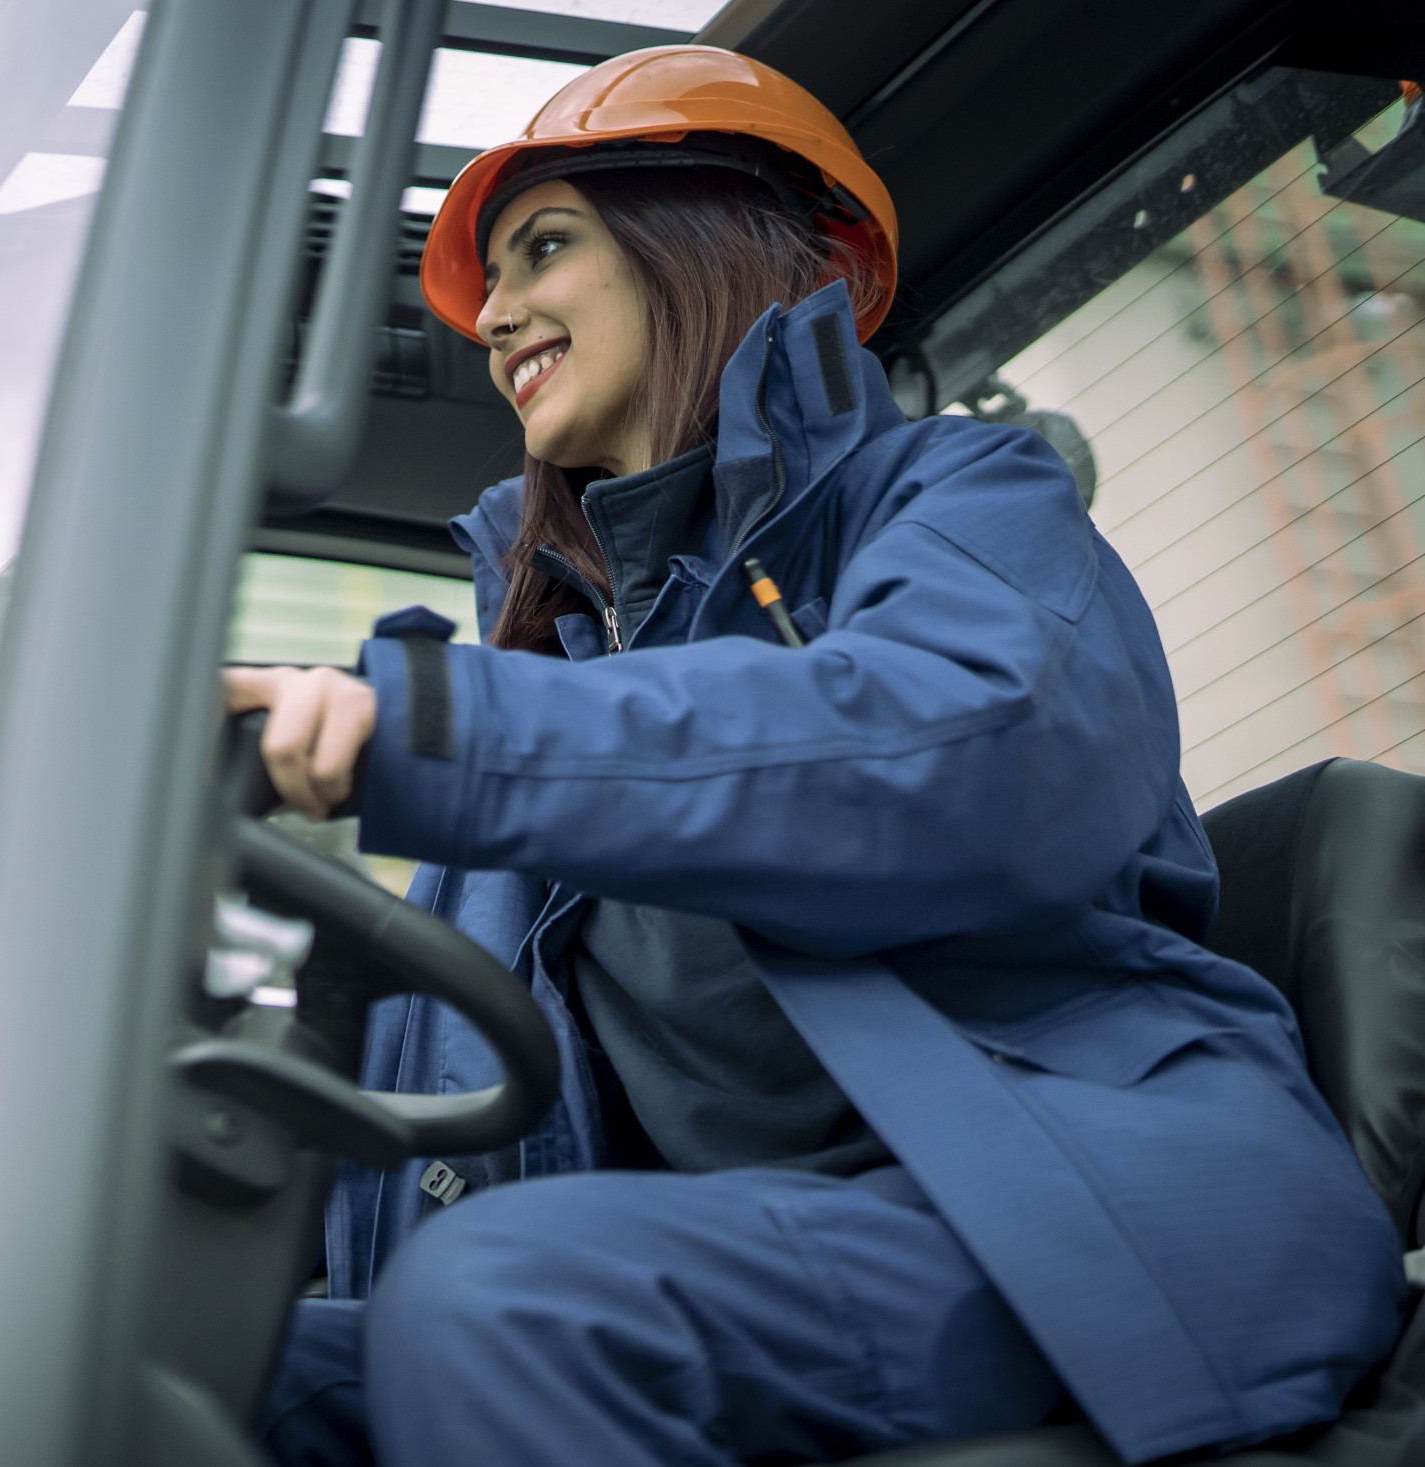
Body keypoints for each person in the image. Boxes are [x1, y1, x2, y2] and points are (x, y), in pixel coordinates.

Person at [222, 45, 1408, 1467]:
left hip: (1091, 1211)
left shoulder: (963, 500)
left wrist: (414, 726)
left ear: (709, 242)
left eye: (545, 248)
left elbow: (958, 752)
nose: (498, 315)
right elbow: (424, 1080)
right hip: (771, 1254)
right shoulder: (557, 686)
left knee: (505, 1299)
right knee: (216, 1369)